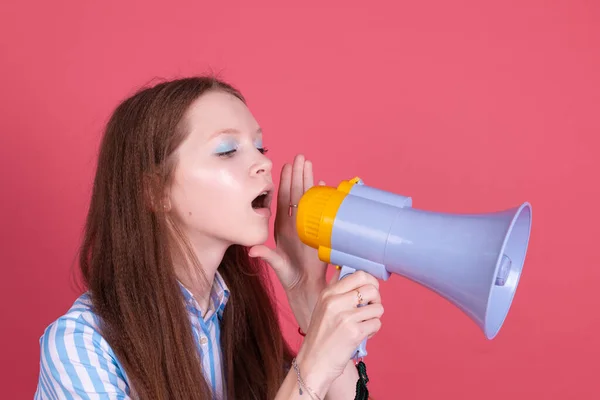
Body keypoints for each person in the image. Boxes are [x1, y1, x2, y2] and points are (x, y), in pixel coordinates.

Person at [34, 76, 384, 400]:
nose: (264, 164)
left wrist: (309, 297)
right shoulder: (80, 347)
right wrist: (310, 366)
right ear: (155, 192)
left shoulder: (237, 324)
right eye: (228, 150)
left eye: (260, 148)